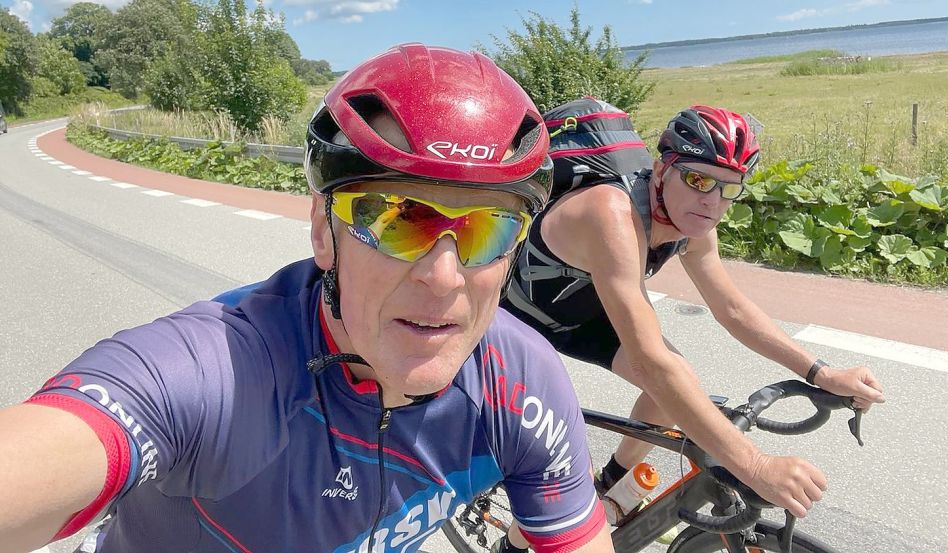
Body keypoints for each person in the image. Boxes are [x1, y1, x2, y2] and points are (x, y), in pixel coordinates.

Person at [0, 44, 614, 553]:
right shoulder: (221, 372)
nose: (445, 276)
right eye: (400, 220)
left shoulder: (520, 380)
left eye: (488, 228)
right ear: (324, 230)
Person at [503, 102, 886, 522]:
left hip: (587, 311)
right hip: (517, 316)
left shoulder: (694, 219)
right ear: (661, 170)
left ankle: (610, 484)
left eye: (730, 188)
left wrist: (820, 373)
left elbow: (732, 308)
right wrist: (755, 466)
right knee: (546, 460)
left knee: (677, 384)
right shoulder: (610, 212)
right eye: (698, 179)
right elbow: (649, 361)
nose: (712, 202)